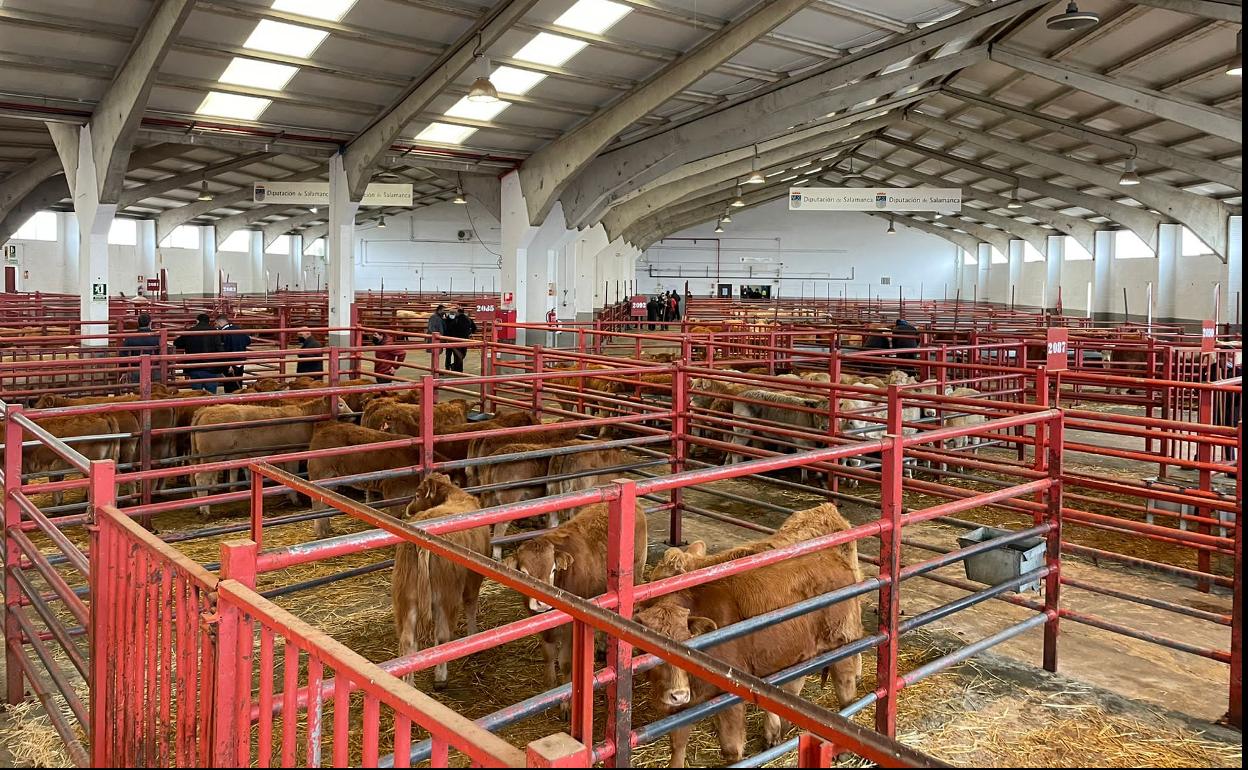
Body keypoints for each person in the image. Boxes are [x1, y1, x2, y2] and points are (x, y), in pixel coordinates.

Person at [173, 313, 224, 393]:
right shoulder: (215, 332)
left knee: (196, 394)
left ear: (197, 321)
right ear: (209, 322)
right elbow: (220, 349)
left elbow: (177, 343)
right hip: (211, 368)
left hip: (194, 366)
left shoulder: (190, 331)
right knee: (211, 394)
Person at [120, 313, 164, 383]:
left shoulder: (130, 338)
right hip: (154, 370)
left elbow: (123, 355)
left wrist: (124, 370)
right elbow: (164, 353)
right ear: (150, 323)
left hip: (135, 370)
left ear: (138, 323)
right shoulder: (157, 338)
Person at [214, 314, 252, 393]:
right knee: (238, 381)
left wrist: (227, 364)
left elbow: (223, 349)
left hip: (229, 362)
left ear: (219, 322)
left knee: (229, 384)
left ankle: (231, 400)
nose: (216, 325)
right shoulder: (239, 329)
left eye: (216, 323)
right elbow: (248, 341)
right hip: (241, 360)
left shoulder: (223, 333)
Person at [445, 307, 477, 373]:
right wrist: (469, 332)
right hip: (465, 339)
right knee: (462, 354)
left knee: (457, 354)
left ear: (458, 312)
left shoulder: (456, 319)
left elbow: (450, 327)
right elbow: (474, 328)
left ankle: (456, 368)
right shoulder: (468, 319)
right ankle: (457, 368)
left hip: (456, 339)